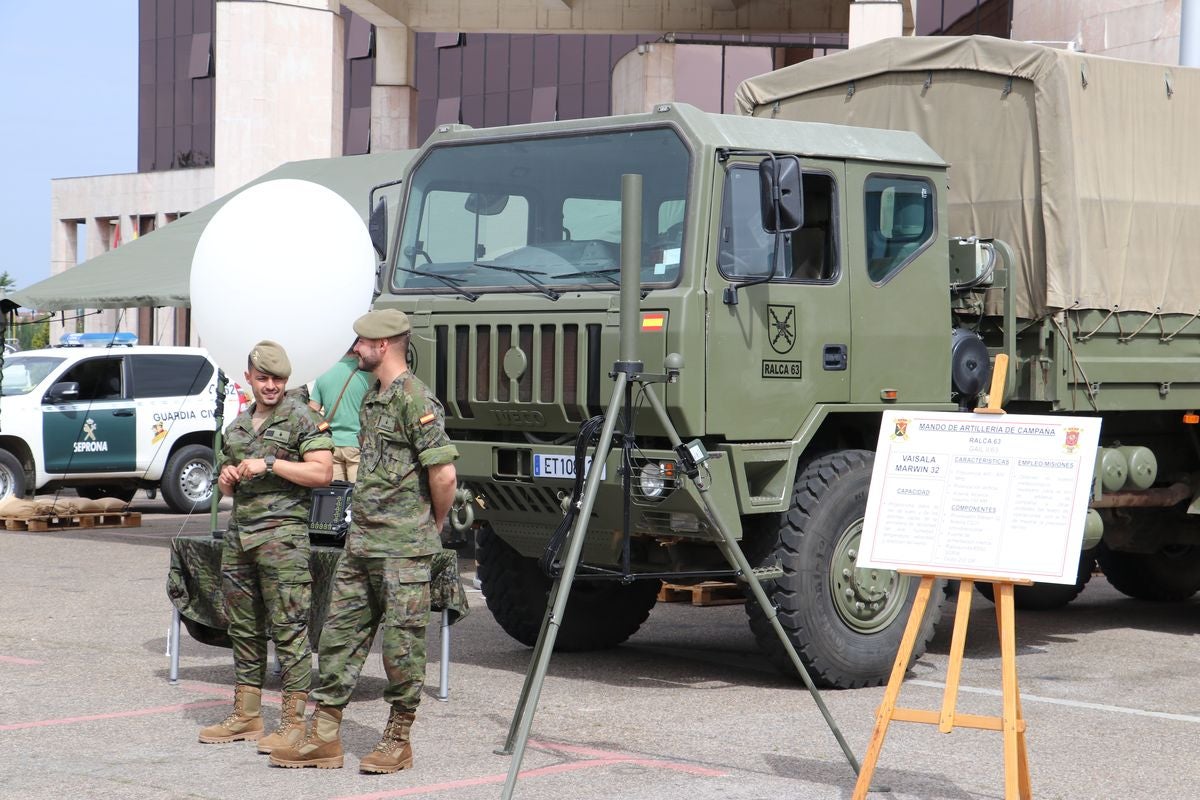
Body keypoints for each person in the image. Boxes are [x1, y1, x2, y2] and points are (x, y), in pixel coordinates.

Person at [270, 309, 458, 773]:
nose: (355, 350)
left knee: (401, 648)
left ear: (385, 344)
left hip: (402, 550)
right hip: (362, 544)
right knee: (338, 640)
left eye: (362, 343)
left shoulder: (415, 399)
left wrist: (429, 527)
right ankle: (324, 737)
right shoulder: (373, 397)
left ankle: (398, 740)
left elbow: (445, 474)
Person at [198, 341, 334, 756]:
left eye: (278, 379)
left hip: (283, 540)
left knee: (290, 629)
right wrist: (226, 479)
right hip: (240, 539)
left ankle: (292, 723)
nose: (271, 386)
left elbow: (323, 472)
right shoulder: (237, 427)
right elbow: (225, 488)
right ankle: (247, 714)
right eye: (263, 378)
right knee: (243, 627)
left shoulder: (302, 418)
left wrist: (271, 464)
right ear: (249, 378)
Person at [308, 346, 371, 482]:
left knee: (336, 499)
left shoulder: (324, 372)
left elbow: (312, 412)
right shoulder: (367, 373)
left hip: (332, 445)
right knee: (357, 497)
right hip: (358, 445)